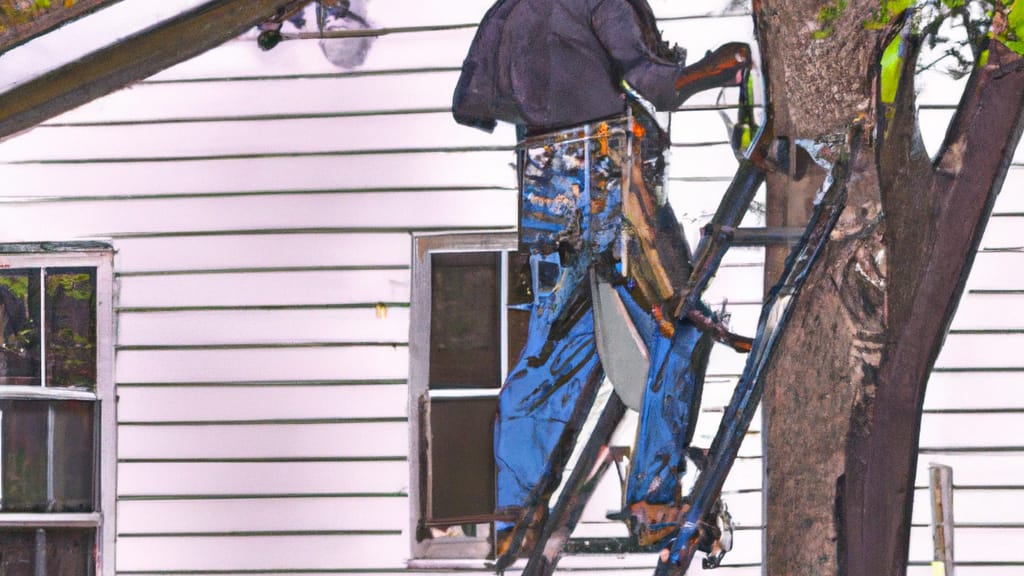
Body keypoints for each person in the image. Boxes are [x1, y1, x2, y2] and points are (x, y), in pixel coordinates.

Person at [452, 0, 751, 567]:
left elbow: (470, 106)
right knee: (680, 332)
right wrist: (722, 65)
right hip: (606, 180)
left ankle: (514, 515)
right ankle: (652, 502)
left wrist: (555, 96)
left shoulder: (507, 11)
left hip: (543, 183)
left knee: (552, 357)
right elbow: (658, 83)